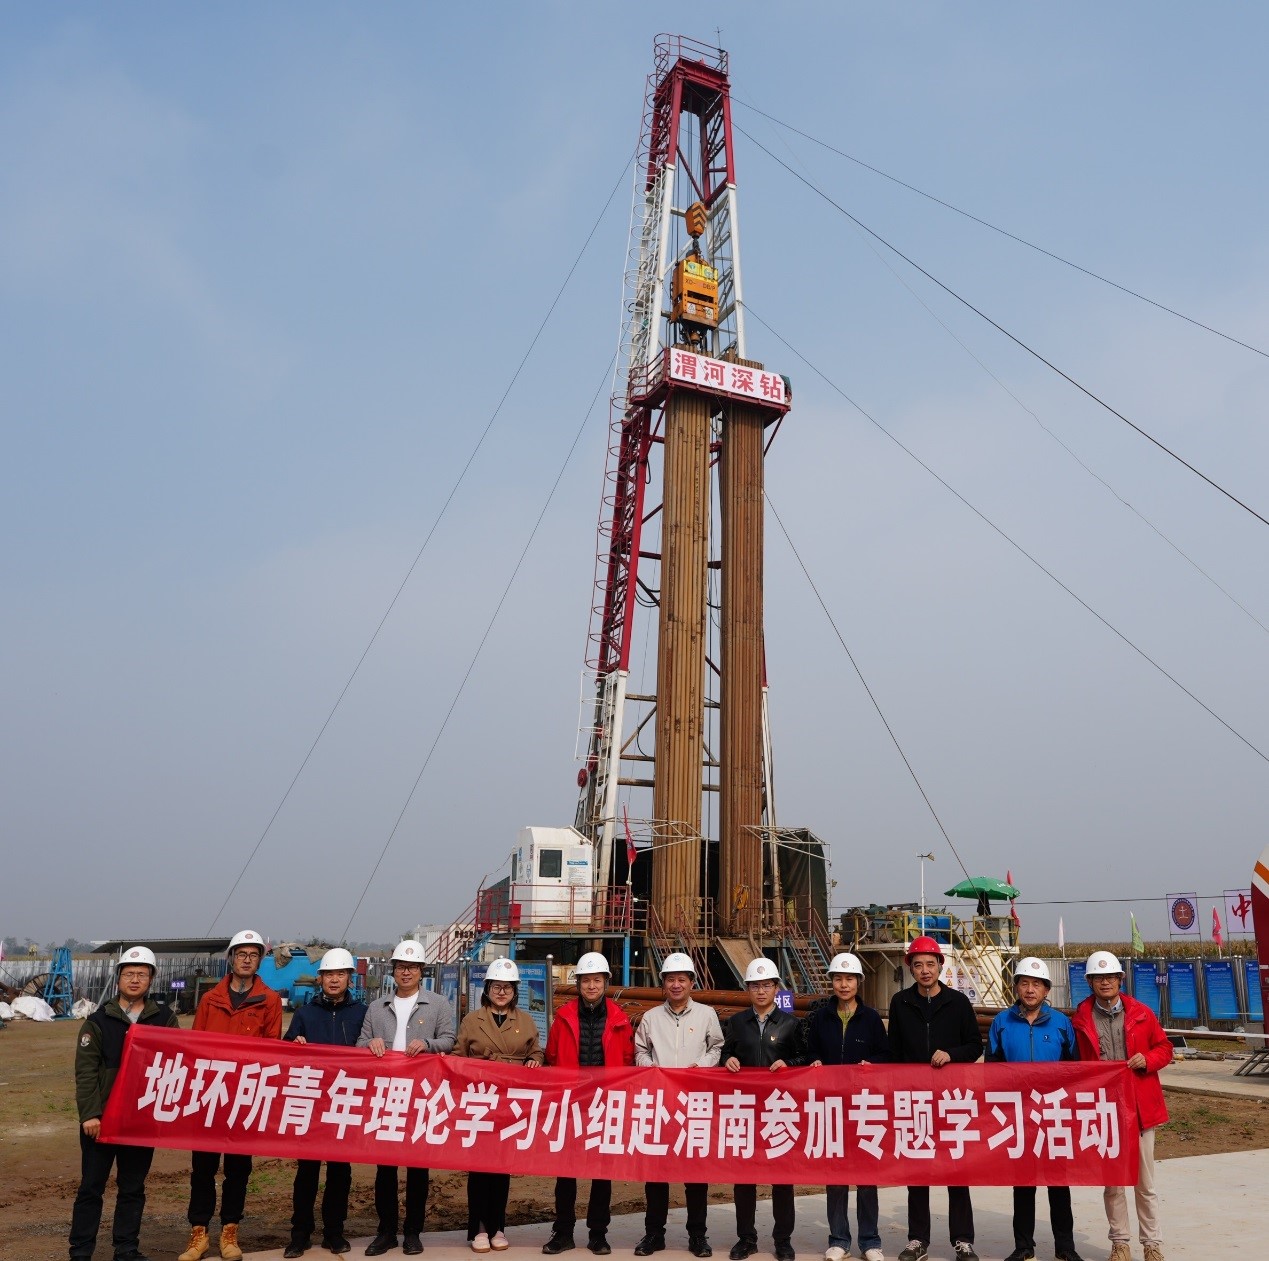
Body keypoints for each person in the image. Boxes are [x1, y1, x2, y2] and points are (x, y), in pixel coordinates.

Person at [69, 945, 180, 1261]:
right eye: (129, 973)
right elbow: (86, 1071)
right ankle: (81, 1251)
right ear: (118, 978)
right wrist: (90, 1114)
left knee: (132, 1188)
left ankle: (126, 1249)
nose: (135, 979)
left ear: (151, 979)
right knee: (91, 1187)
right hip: (102, 1121)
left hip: (140, 1121)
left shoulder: (164, 1019)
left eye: (141, 974)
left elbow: (176, 1064)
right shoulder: (98, 1020)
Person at [180, 929, 282, 1261]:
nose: (247, 960)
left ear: (259, 961)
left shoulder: (269, 1001)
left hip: (245, 1097)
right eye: (241, 954)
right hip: (210, 1095)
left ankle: (229, 1232)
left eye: (253, 955)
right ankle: (198, 1234)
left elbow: (272, 1049)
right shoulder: (211, 999)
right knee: (203, 1168)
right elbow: (195, 1044)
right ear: (231, 958)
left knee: (238, 1170)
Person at [358, 938, 457, 1256]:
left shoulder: (438, 1004)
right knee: (385, 1168)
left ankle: (413, 1232)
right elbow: (360, 1042)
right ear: (393, 971)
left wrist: (428, 1044)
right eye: (401, 967)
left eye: (412, 967)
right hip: (386, 1096)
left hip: (421, 1096)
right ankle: (386, 1231)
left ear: (421, 971)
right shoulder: (377, 1007)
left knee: (417, 1168)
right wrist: (370, 1043)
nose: (406, 972)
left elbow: (449, 1039)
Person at [1071, 950, 1172, 1261]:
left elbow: (1164, 1047)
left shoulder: (1141, 1013)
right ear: (1090, 982)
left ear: (1120, 979)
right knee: (1113, 1184)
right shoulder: (1080, 1020)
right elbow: (1073, 1063)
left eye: (1111, 977)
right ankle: (1120, 1243)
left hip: (1140, 1109)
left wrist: (1148, 1059)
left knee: (1145, 1183)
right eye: (1098, 978)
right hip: (1105, 1111)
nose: (1105, 982)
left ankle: (1152, 1244)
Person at [887, 935, 983, 1261]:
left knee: (957, 1172)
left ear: (940, 966)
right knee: (918, 1172)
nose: (925, 970)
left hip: (952, 1100)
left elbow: (975, 1046)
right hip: (915, 1101)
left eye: (930, 964)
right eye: (918, 965)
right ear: (910, 969)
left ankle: (963, 1240)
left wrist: (952, 1054)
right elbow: (894, 1052)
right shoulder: (901, 1003)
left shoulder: (958, 1003)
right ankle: (917, 1240)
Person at [986, 957, 1084, 1261]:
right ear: (1016, 987)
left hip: (1053, 1114)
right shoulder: (1002, 1022)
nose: (1030, 990)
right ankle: (1024, 1246)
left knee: (1058, 1184)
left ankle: (1065, 1247)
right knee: (1023, 1184)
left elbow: (1075, 1069)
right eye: (1025, 983)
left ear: (1046, 990)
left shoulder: (1061, 1023)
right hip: (1019, 1114)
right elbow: (992, 1068)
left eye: (1037, 984)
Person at [542, 951, 635, 1257]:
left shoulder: (619, 1019)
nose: (591, 986)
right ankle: (563, 1232)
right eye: (586, 981)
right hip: (571, 1103)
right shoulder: (564, 1017)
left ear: (606, 982)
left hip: (605, 1103)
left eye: (597, 980)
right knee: (565, 1171)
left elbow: (626, 1059)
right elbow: (552, 1054)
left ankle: (598, 1234)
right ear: (578, 983)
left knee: (602, 1172)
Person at [633, 952, 723, 1260]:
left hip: (694, 1103)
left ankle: (697, 1235)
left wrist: (702, 1066)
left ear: (691, 983)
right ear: (663, 983)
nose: (676, 985)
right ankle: (654, 1234)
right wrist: (651, 1069)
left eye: (681, 979)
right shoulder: (651, 1017)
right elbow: (640, 1050)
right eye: (670, 979)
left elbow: (717, 1047)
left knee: (695, 1174)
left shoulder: (706, 1014)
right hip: (660, 1104)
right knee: (656, 1173)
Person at [454, 957, 544, 1253]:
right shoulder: (472, 1020)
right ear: (487, 989)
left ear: (515, 990)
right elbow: (458, 1055)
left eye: (507, 987)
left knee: (502, 1168)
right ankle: (479, 1228)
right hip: (481, 1099)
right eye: (496, 987)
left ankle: (498, 1227)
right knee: (479, 1167)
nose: (502, 992)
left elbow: (536, 1051)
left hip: (510, 1101)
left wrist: (535, 1060)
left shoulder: (525, 1020)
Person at [281, 948, 368, 1258]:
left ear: (349, 978)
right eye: (329, 974)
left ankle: (334, 1233)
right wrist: (294, 1043)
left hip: (344, 1103)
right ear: (320, 979)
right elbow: (286, 1050)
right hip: (312, 1104)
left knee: (340, 1173)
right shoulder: (305, 1014)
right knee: (306, 1172)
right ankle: (300, 1234)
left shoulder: (362, 1013)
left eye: (340, 974)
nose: (334, 979)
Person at [803, 952, 888, 1261]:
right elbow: (811, 1050)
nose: (843, 984)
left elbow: (885, 1054)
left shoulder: (871, 1019)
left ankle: (870, 1241)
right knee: (836, 1176)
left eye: (849, 979)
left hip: (863, 1105)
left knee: (866, 1176)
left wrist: (872, 1064)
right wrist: (815, 1061)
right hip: (832, 1106)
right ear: (832, 982)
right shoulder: (821, 1018)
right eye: (838, 979)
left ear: (858, 982)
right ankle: (839, 1239)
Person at [721, 957, 806, 1261]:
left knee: (782, 1179)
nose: (760, 991)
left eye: (766, 985)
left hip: (778, 1110)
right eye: (755, 985)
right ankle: (746, 1238)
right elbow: (724, 1054)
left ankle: (783, 1240)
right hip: (745, 1110)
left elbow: (804, 1059)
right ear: (747, 989)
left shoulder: (791, 1024)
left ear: (775, 988)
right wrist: (728, 1060)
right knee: (744, 1178)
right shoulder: (736, 1023)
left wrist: (789, 1063)